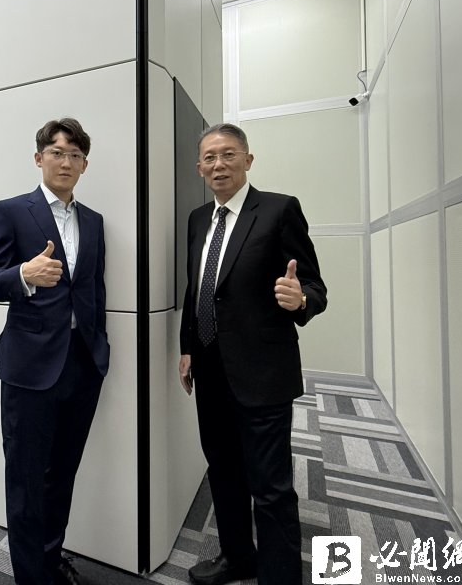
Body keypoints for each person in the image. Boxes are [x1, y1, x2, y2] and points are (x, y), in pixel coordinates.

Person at [178, 123, 327, 585]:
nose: (218, 165)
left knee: (270, 485)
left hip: (262, 371)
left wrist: (300, 299)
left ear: (248, 159)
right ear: (199, 167)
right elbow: (197, 289)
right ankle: (237, 557)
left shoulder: (279, 210)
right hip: (209, 368)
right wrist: (187, 348)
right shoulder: (198, 219)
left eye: (228, 154)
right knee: (223, 471)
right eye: (209, 158)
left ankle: (280, 576)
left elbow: (314, 286)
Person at [0, 118, 109, 585]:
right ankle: (32, 577)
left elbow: (94, 290)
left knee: (62, 475)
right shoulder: (11, 211)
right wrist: (23, 275)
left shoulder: (93, 222)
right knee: (27, 481)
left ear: (84, 164)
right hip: (29, 368)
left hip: (82, 365)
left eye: (75, 155)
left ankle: (51, 560)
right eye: (56, 152)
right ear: (39, 158)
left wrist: (100, 349)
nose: (65, 162)